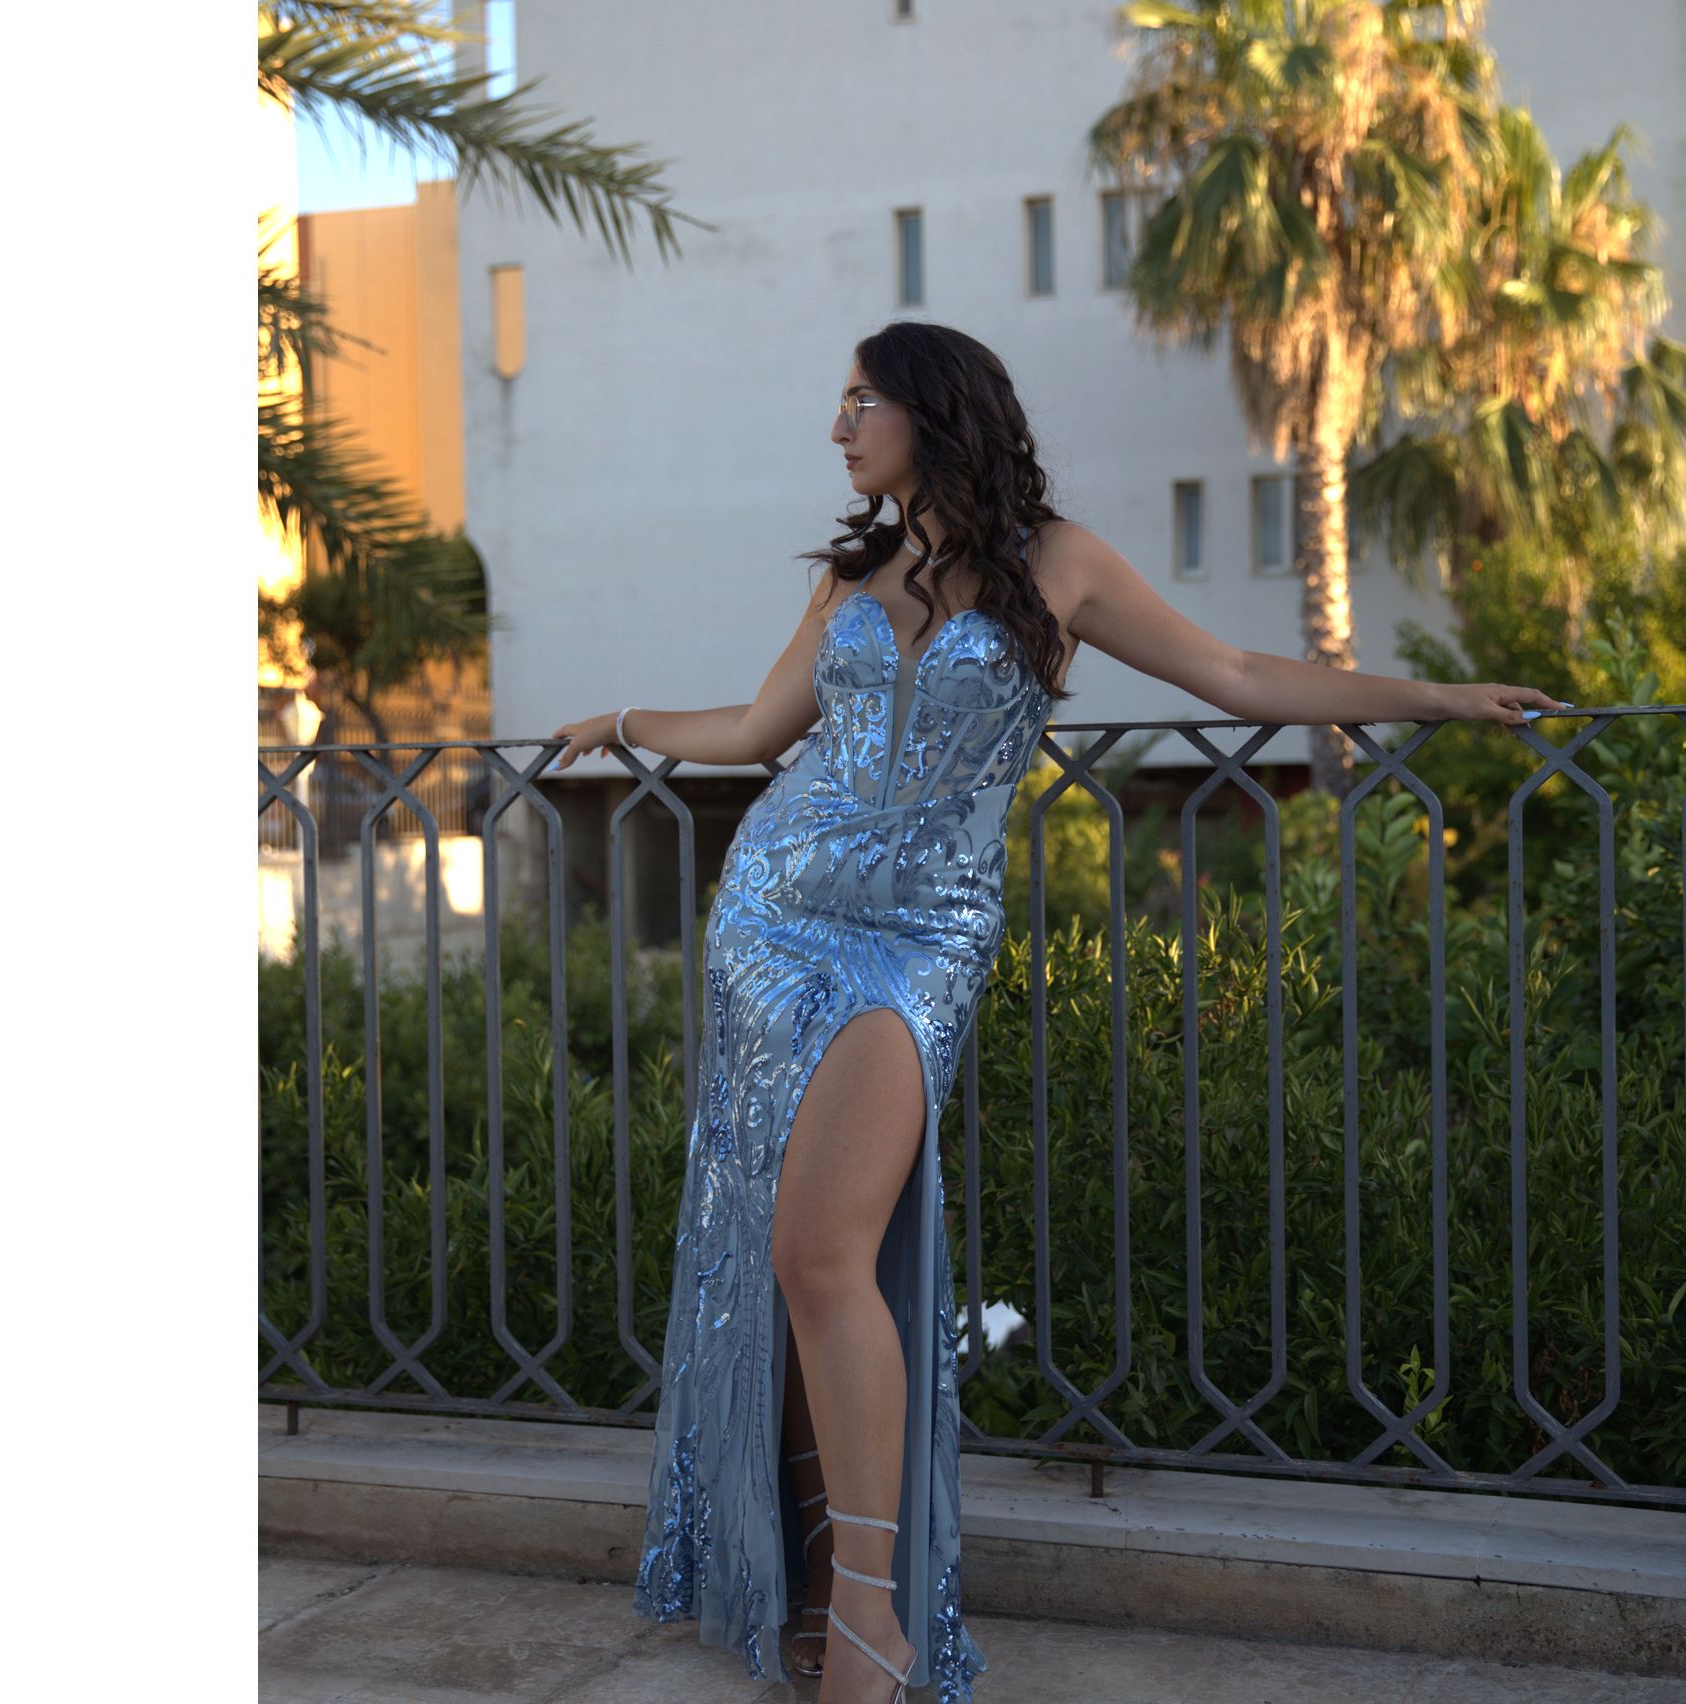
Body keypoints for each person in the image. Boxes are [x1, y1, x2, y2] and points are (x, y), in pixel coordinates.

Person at [551, 322, 1561, 1704]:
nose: (839, 428)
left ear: (932, 409)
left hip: (918, 946)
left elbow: (1239, 678)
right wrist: (621, 722)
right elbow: (752, 733)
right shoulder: (851, 576)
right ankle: (824, 1598)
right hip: (774, 919)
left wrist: (1436, 695)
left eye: (860, 401)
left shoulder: (1059, 563)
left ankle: (872, 1616)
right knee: (785, 1259)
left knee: (821, 1251)